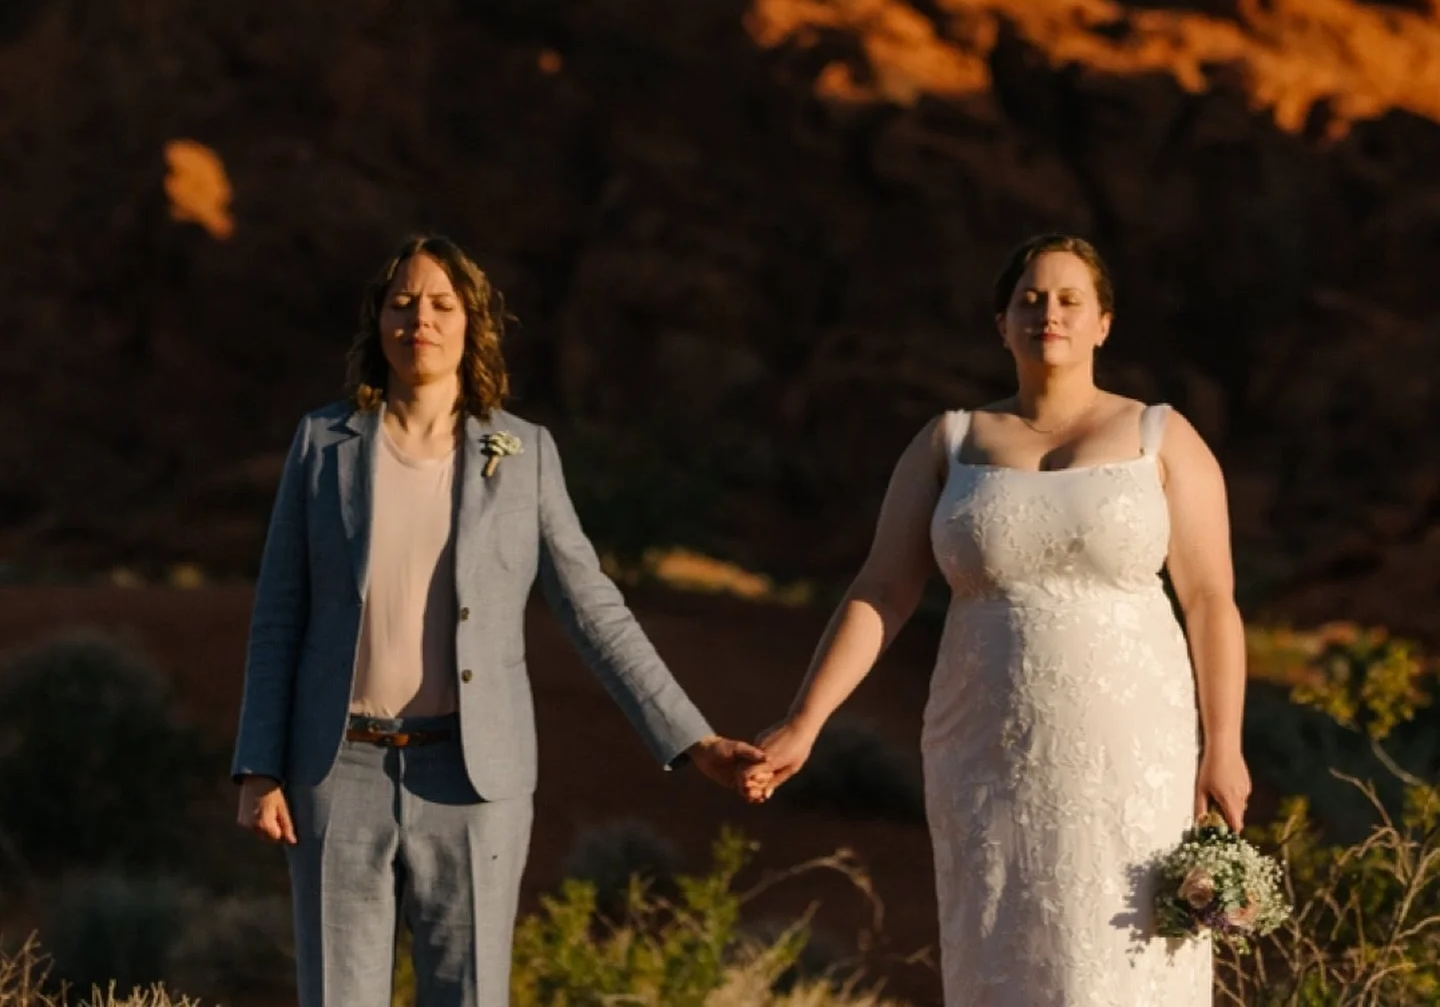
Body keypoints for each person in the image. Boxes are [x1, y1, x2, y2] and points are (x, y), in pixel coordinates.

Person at [232, 233, 768, 1007]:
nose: (421, 318)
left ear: (472, 324)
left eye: (442, 304)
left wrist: (694, 738)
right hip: (335, 770)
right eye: (402, 302)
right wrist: (259, 769)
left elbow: (594, 609)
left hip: (474, 779)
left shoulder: (525, 455)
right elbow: (279, 614)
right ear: (377, 321)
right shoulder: (323, 444)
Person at [751, 232, 1248, 1005]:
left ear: (1103, 323)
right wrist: (804, 721)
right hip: (986, 751)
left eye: (1069, 299)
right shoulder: (949, 442)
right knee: (1004, 956)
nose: (1048, 312)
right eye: (1030, 299)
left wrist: (1225, 748)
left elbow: (1211, 601)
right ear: (1001, 323)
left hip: (1133, 749)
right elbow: (881, 589)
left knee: (1123, 964)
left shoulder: (1161, 436)